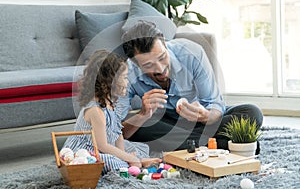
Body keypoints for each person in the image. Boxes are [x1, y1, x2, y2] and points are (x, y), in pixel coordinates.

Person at [116, 21, 263, 153]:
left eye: (162, 57)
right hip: (165, 122)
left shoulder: (191, 53)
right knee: (138, 125)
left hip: (200, 120)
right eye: (148, 65)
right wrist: (142, 114)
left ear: (166, 45)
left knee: (251, 112)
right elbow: (116, 130)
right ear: (135, 64)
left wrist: (205, 115)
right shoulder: (127, 74)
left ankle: (191, 143)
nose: (160, 69)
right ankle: (223, 143)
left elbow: (215, 105)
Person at [62, 50, 161, 174]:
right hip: (87, 152)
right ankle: (135, 163)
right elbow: (102, 146)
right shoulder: (95, 110)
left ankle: (134, 162)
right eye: (124, 78)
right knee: (109, 161)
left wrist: (126, 155)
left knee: (138, 148)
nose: (127, 82)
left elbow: (118, 135)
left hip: (103, 146)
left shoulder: (111, 105)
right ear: (110, 81)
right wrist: (130, 158)